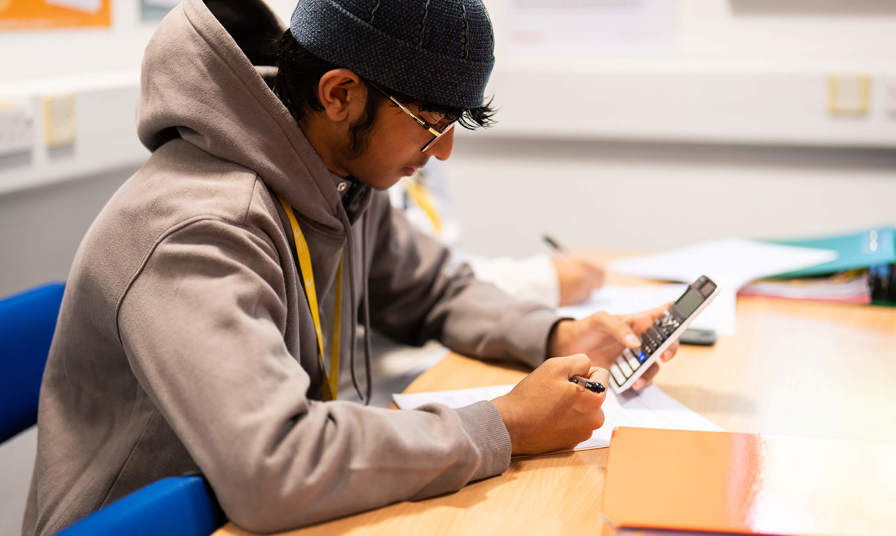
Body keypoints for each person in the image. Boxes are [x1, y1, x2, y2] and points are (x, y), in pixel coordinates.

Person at [23, 0, 678, 534]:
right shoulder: (198, 232)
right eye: (431, 124)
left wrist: (558, 335)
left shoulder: (334, 175)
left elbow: (435, 289)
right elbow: (273, 466)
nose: (443, 152)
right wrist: (504, 424)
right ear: (340, 94)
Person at [390, 159, 606, 307]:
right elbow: (414, 280)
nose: (445, 149)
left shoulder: (428, 157)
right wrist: (543, 281)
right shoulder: (374, 179)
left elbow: (445, 257)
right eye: (427, 122)